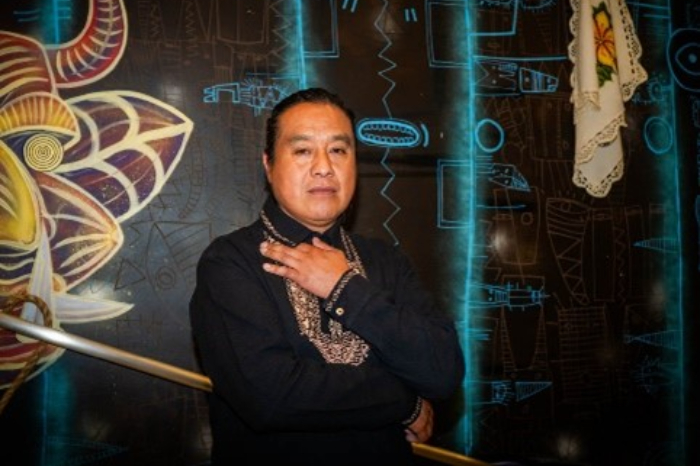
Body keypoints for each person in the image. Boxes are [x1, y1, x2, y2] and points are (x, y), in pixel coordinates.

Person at [189, 87, 465, 465]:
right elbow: (270, 397)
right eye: (303, 150)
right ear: (269, 165)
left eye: (338, 150)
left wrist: (344, 288)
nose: (324, 167)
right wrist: (403, 399)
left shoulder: (385, 260)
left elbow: (443, 370)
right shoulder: (230, 262)